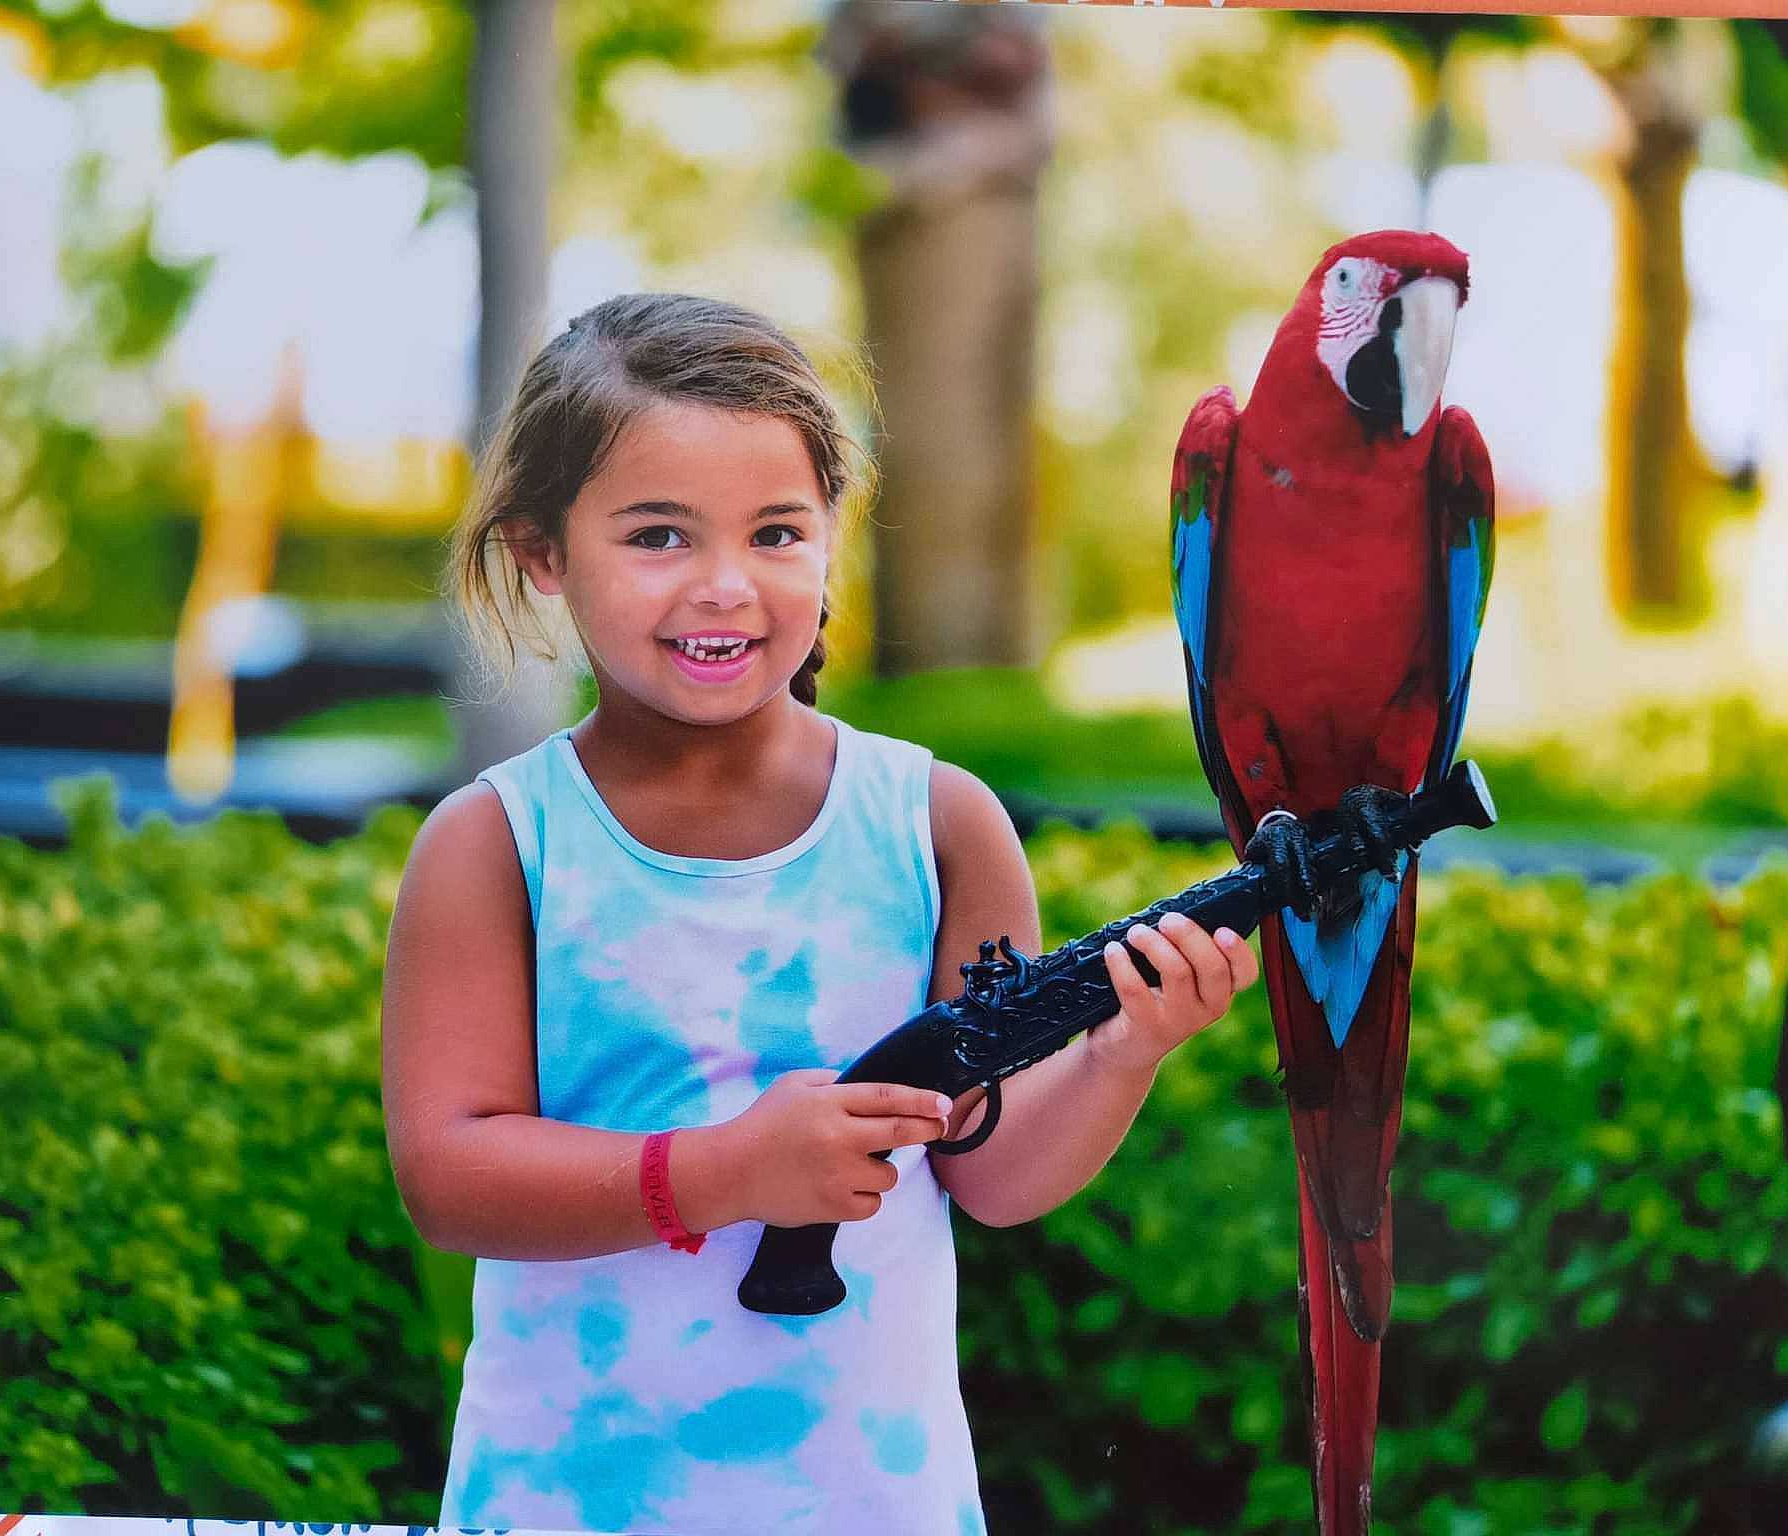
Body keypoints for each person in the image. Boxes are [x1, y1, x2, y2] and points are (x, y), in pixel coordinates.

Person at [380, 292, 1261, 1535]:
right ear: (540, 551)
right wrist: (725, 1172)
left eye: (776, 533)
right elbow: (450, 1176)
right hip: (568, 1502)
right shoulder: (495, 846)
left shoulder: (936, 826)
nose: (725, 587)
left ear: (832, 538)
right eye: (657, 537)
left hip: (872, 1501)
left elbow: (990, 1170)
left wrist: (1124, 1051)